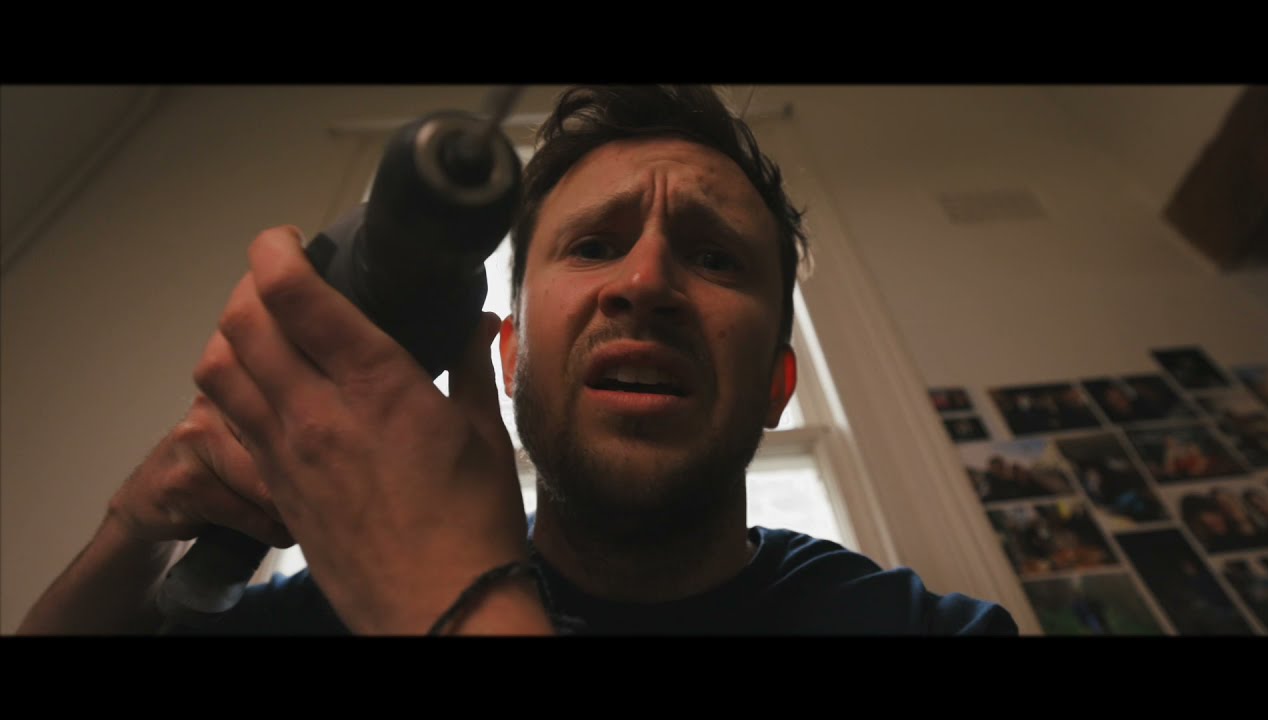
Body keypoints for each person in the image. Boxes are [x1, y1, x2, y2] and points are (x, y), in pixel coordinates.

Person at [17, 85, 1017, 635]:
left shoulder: (925, 633)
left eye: (715, 258)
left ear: (776, 384)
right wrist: (131, 530)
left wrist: (452, 606)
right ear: (507, 358)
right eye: (594, 246)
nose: (645, 283)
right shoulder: (322, 616)